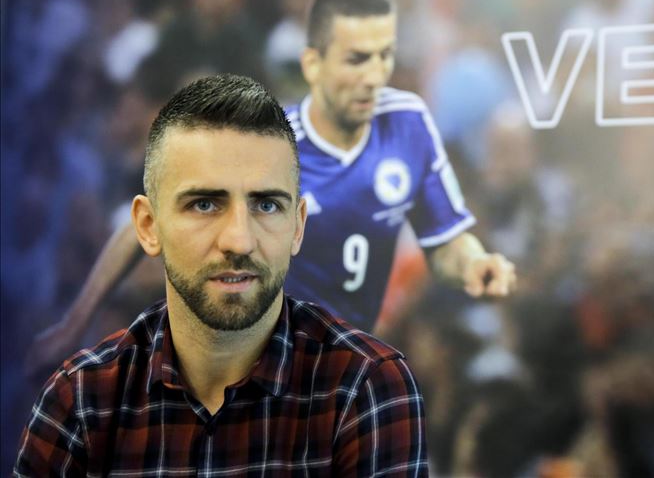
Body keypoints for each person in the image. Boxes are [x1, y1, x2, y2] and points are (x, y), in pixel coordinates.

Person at [28, 0, 516, 375]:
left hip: (348, 374)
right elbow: (147, 220)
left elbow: (444, 241)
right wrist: (74, 323)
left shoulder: (409, 126)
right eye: (356, 59)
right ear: (313, 64)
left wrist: (474, 263)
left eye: (383, 58)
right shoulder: (267, 140)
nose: (373, 77)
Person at [15, 74, 428, 476]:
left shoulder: (367, 388)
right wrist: (75, 323)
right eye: (204, 205)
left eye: (267, 205)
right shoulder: (81, 397)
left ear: (298, 225)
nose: (239, 240)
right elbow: (133, 233)